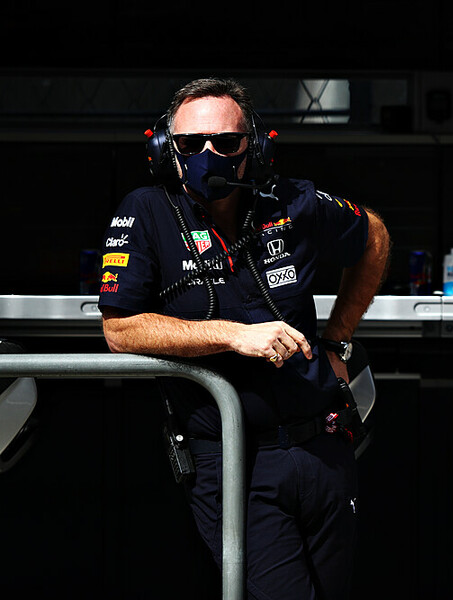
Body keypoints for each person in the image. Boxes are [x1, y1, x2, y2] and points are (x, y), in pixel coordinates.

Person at [98, 77, 390, 600]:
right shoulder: (145, 211)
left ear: (252, 147)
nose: (208, 154)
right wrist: (234, 336)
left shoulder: (292, 200)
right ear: (167, 150)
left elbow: (373, 235)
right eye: (191, 143)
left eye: (226, 142)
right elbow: (120, 329)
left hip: (324, 447)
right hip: (233, 458)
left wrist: (338, 339)